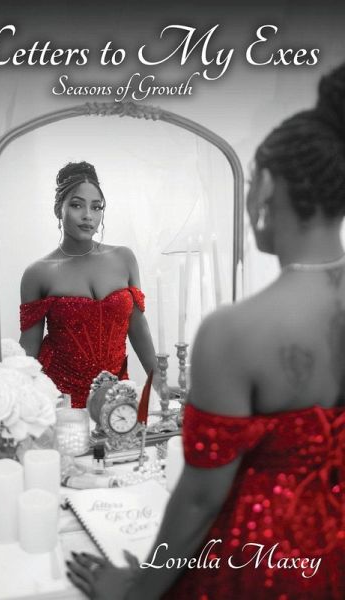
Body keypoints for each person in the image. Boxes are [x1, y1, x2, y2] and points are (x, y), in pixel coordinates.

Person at [66, 64, 345, 599]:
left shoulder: (234, 333)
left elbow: (198, 499)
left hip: (265, 566)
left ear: (265, 186)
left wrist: (137, 589)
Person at [19, 161, 158, 408]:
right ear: (58, 209)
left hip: (117, 403)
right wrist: (17, 404)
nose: (88, 216)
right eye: (76, 205)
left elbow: (138, 328)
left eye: (96, 207)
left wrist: (159, 382)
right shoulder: (38, 273)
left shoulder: (124, 258)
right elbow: (29, 351)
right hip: (61, 402)